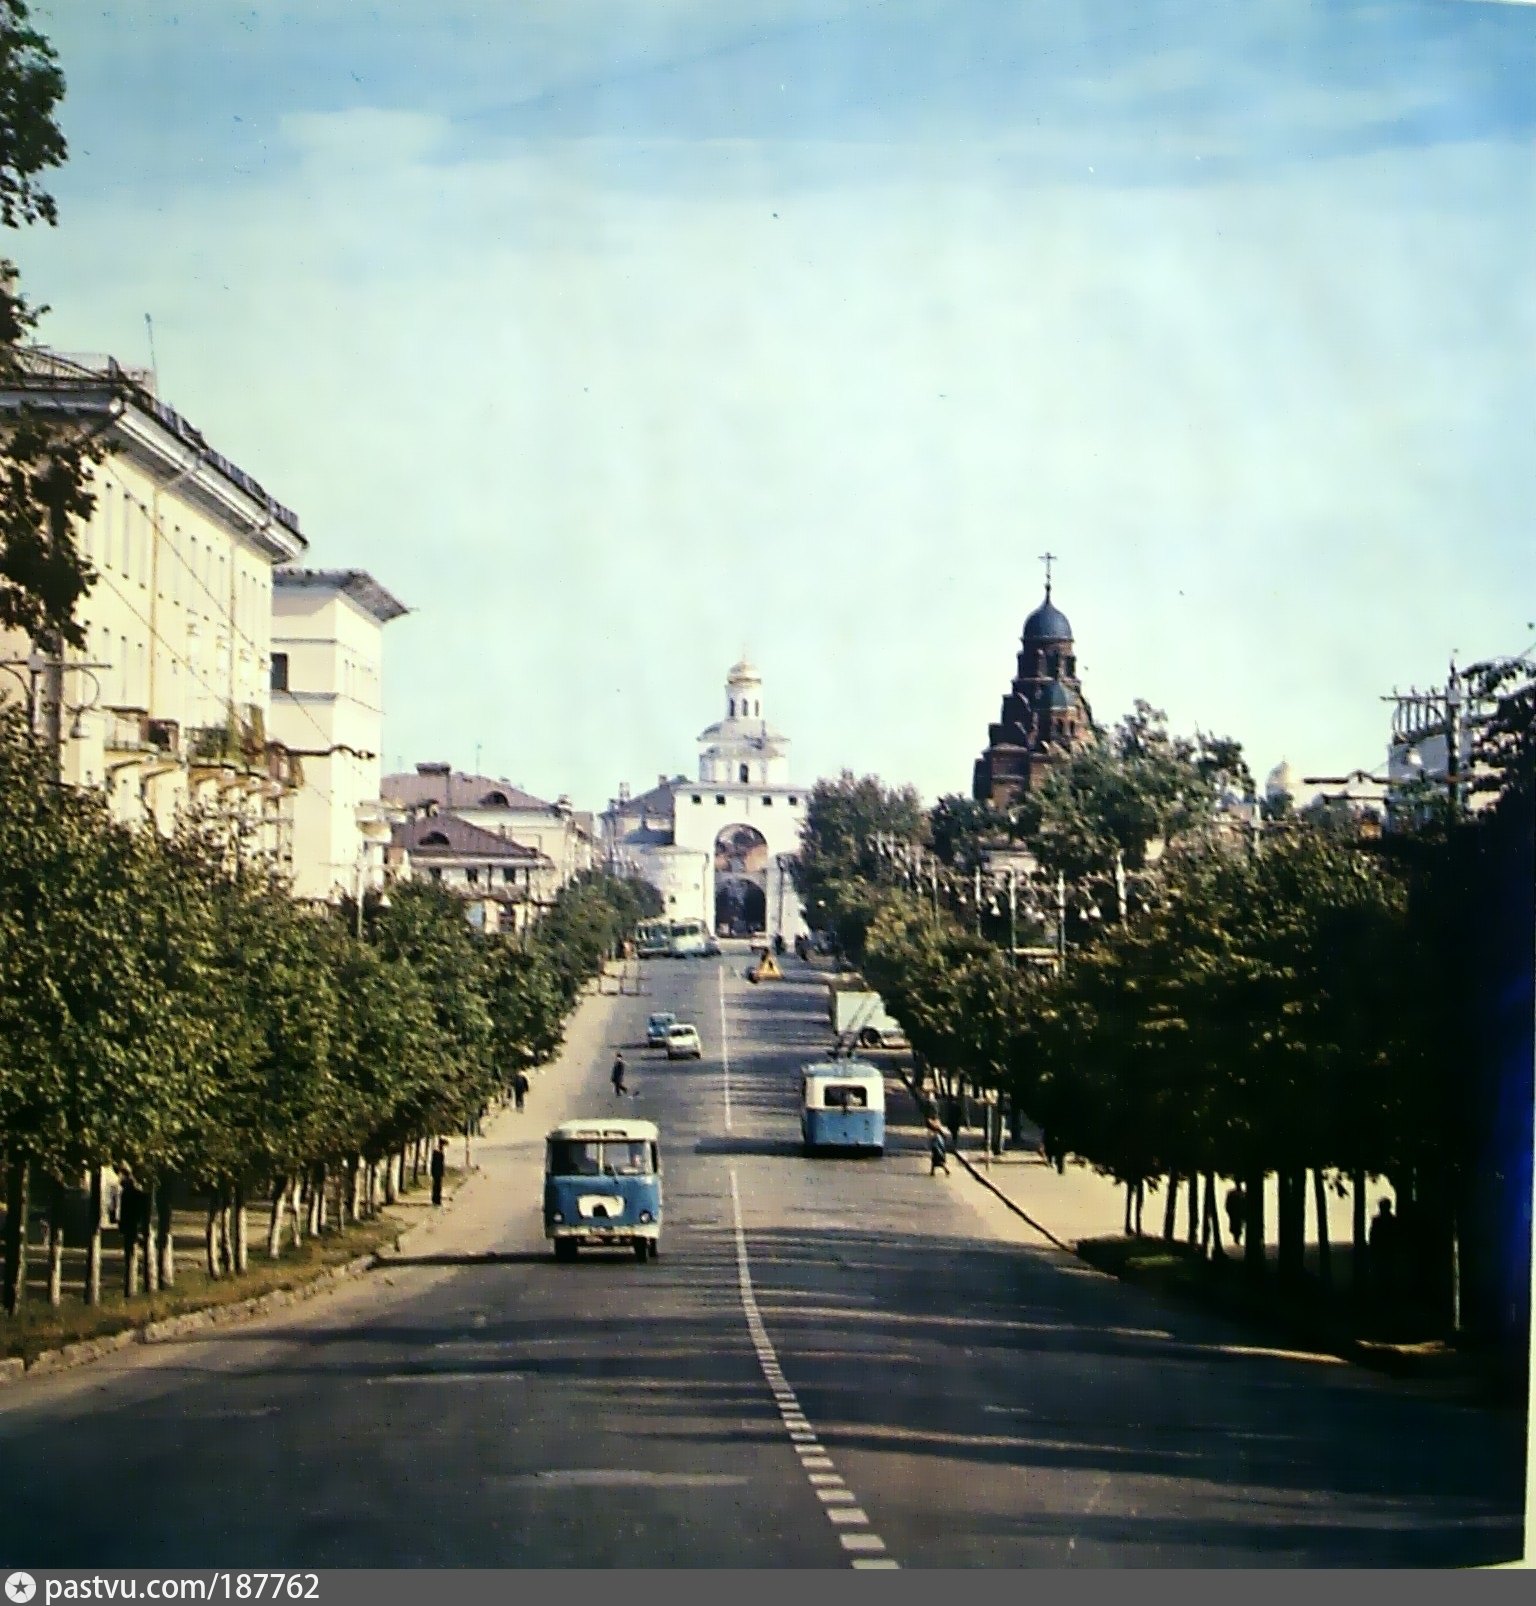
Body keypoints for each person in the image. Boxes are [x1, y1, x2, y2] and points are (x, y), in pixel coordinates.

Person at [429, 1140, 446, 1206]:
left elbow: (442, 1163)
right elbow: (434, 1163)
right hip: (436, 1172)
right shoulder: (436, 1152)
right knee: (436, 1186)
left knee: (438, 1186)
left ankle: (437, 1200)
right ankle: (436, 1200)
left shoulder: (439, 1151)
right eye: (442, 1145)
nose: (443, 1146)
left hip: (438, 1172)